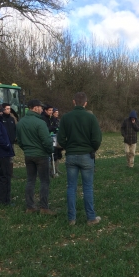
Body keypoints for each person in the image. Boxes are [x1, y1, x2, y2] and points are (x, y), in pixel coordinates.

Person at [57, 92, 102, 226]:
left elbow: (60, 139)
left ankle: (71, 218)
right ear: (85, 103)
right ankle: (91, 218)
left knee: (71, 187)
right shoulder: (90, 117)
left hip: (71, 156)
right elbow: (97, 138)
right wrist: (92, 148)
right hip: (86, 156)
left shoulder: (66, 118)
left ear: (73, 102)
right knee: (87, 188)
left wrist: (68, 147)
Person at [16, 99, 56, 215]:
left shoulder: (21, 122)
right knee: (44, 181)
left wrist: (27, 149)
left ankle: (30, 207)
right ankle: (44, 207)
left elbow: (19, 140)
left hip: (28, 155)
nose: (42, 109)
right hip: (41, 155)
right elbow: (47, 141)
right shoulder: (40, 123)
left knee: (30, 180)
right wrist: (50, 150)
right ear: (34, 108)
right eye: (40, 107)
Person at [41, 105, 60, 177]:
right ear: (45, 110)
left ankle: (53, 170)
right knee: (47, 155)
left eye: (52, 110)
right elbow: (45, 128)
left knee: (54, 153)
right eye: (49, 110)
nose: (51, 112)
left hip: (53, 137)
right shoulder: (43, 118)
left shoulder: (52, 118)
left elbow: (56, 126)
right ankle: (46, 171)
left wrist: (55, 129)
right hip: (46, 137)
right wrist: (52, 128)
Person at [1, 103, 17, 178]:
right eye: (7, 109)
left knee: (11, 158)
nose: (9, 110)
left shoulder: (12, 119)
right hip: (4, 142)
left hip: (11, 142)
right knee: (4, 158)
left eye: (9, 109)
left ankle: (11, 173)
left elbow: (14, 129)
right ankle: (4, 172)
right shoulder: (1, 119)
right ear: (3, 109)